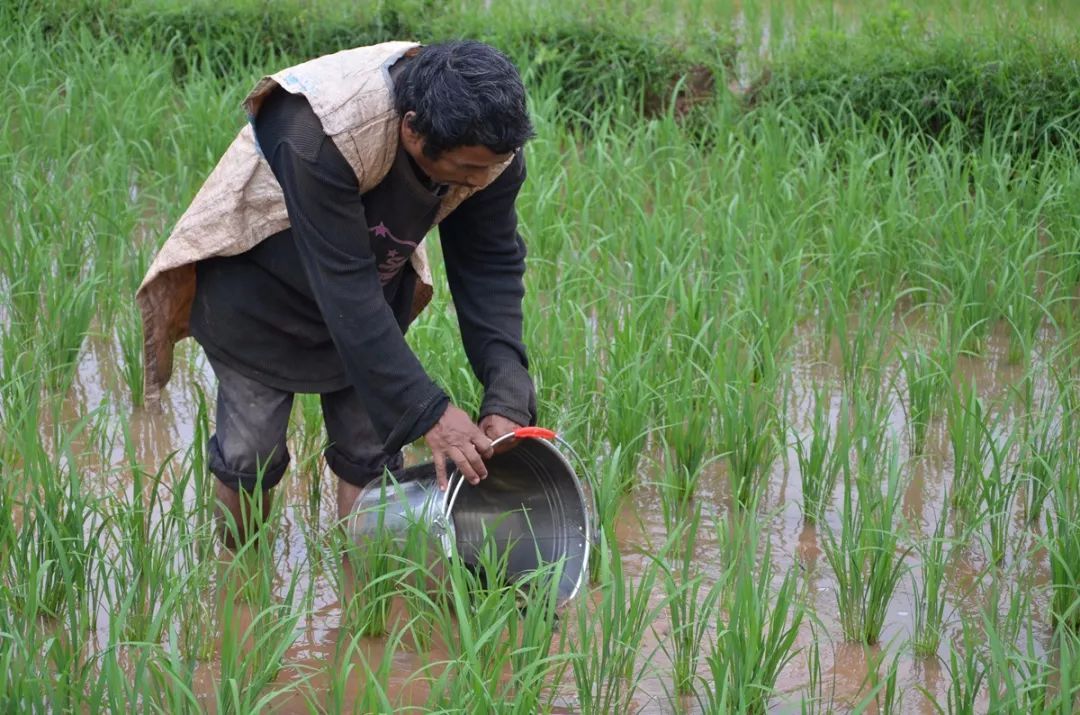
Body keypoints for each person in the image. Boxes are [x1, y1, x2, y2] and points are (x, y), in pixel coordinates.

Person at [135, 40, 537, 543]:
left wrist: (507, 389)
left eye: (490, 168)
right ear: (412, 129)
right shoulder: (318, 126)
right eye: (466, 171)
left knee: (372, 451)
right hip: (258, 295)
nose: (480, 182)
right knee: (248, 454)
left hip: (370, 294)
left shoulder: (487, 155)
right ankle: (239, 580)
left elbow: (490, 262)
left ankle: (363, 591)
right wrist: (430, 412)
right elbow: (342, 281)